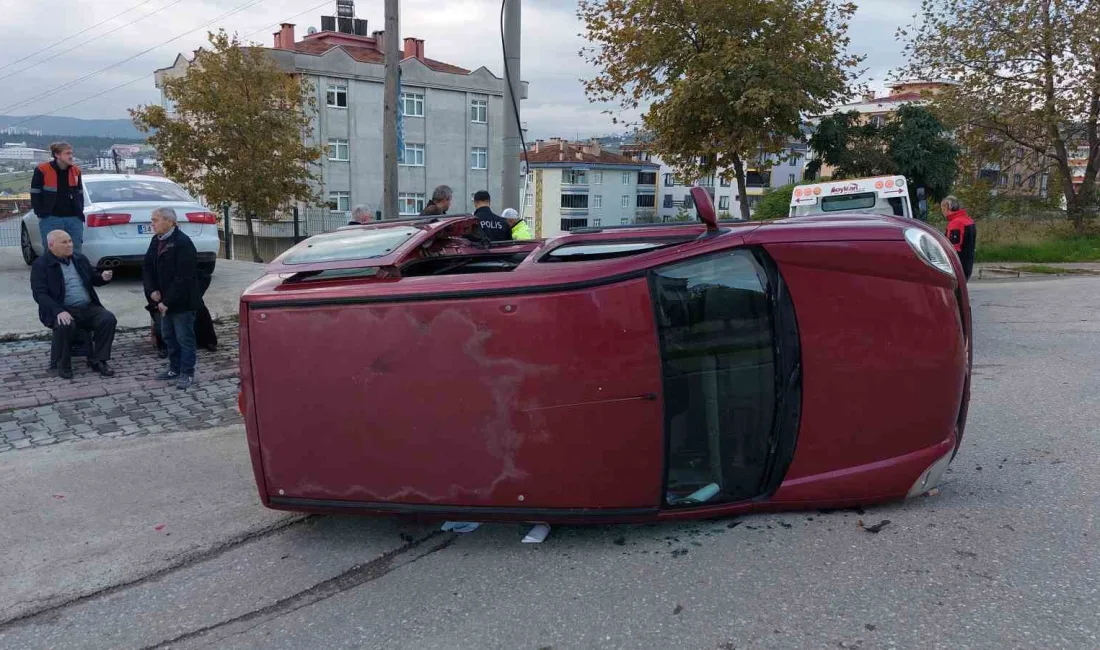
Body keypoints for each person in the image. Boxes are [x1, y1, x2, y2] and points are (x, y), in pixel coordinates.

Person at [30, 230, 117, 379]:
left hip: (88, 307)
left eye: (70, 241)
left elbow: (93, 279)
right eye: (64, 242)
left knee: (108, 319)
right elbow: (40, 294)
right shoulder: (41, 265)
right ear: (51, 245)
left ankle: (99, 360)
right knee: (65, 324)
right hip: (62, 309)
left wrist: (103, 277)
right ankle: (63, 363)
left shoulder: (79, 258)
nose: (69, 245)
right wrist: (58, 311)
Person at [143, 207, 201, 390]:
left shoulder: (183, 243)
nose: (152, 224)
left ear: (169, 221)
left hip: (182, 302)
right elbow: (147, 267)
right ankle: (174, 368)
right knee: (168, 336)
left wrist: (167, 302)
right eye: (152, 220)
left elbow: (183, 277)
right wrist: (152, 291)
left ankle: (187, 372)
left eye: (156, 220)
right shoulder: (156, 240)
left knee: (185, 337)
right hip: (162, 302)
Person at [31, 142, 85, 254]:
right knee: (51, 252)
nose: (71, 156)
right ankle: (53, 272)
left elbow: (79, 193)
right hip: (51, 218)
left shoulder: (76, 171)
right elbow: (35, 193)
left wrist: (80, 211)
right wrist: (41, 213)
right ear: (57, 155)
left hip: (74, 218)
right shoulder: (42, 169)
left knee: (75, 251)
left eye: (71, 153)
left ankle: (73, 271)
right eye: (67, 153)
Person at [942, 195, 977, 280]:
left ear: (946, 208)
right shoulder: (968, 220)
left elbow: (952, 249)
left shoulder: (956, 223)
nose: (942, 212)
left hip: (958, 267)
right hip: (967, 264)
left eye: (942, 209)